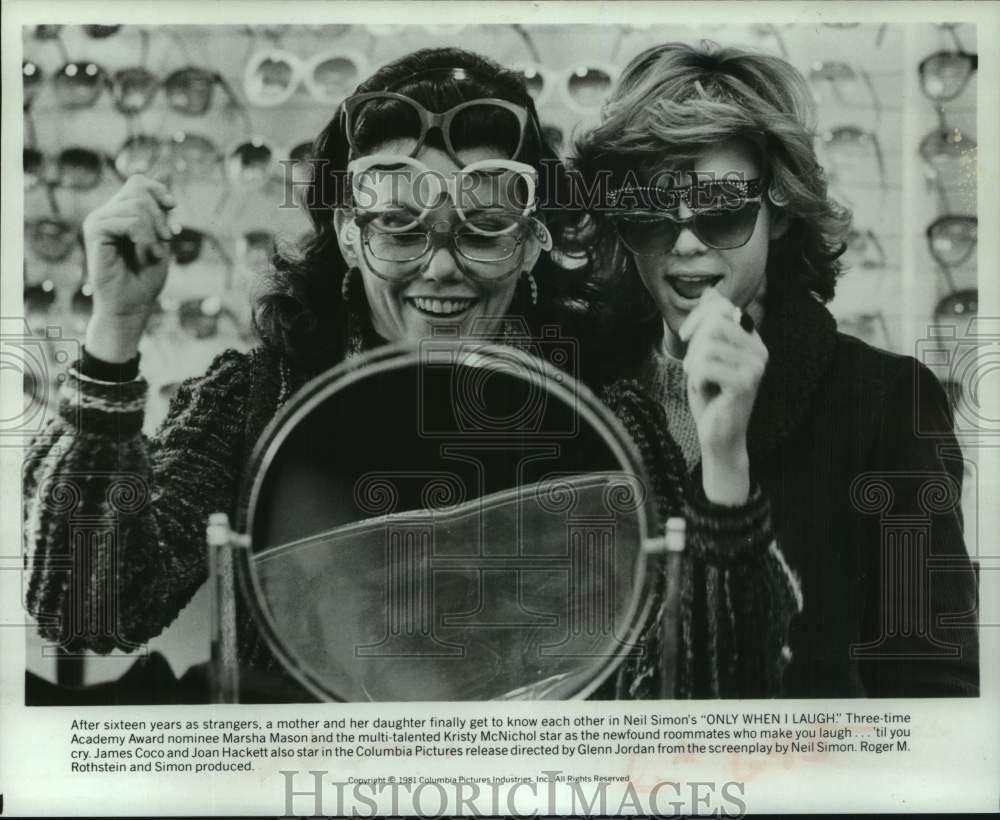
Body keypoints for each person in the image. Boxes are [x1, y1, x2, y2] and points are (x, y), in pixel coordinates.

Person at [23, 47, 799, 702]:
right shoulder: (263, 398)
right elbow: (90, 608)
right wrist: (115, 331)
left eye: (484, 226)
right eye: (399, 224)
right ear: (349, 235)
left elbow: (717, 685)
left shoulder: (601, 414)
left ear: (532, 241)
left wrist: (725, 463)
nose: (441, 267)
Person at [571, 41, 979, 697]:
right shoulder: (579, 396)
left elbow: (933, 690)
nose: (686, 241)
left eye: (723, 208)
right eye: (650, 211)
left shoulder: (884, 403)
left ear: (780, 212)